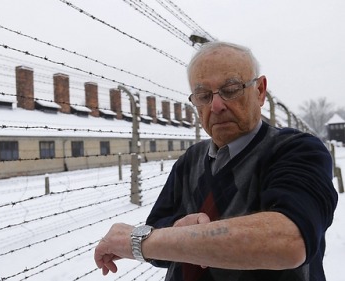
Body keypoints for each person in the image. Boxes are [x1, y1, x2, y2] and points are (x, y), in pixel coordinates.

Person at [93, 41, 338, 281]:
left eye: (230, 90)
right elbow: (158, 225)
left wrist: (141, 241)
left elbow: (290, 240)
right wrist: (177, 228)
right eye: (203, 95)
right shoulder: (190, 160)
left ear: (260, 91)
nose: (217, 105)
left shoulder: (297, 150)